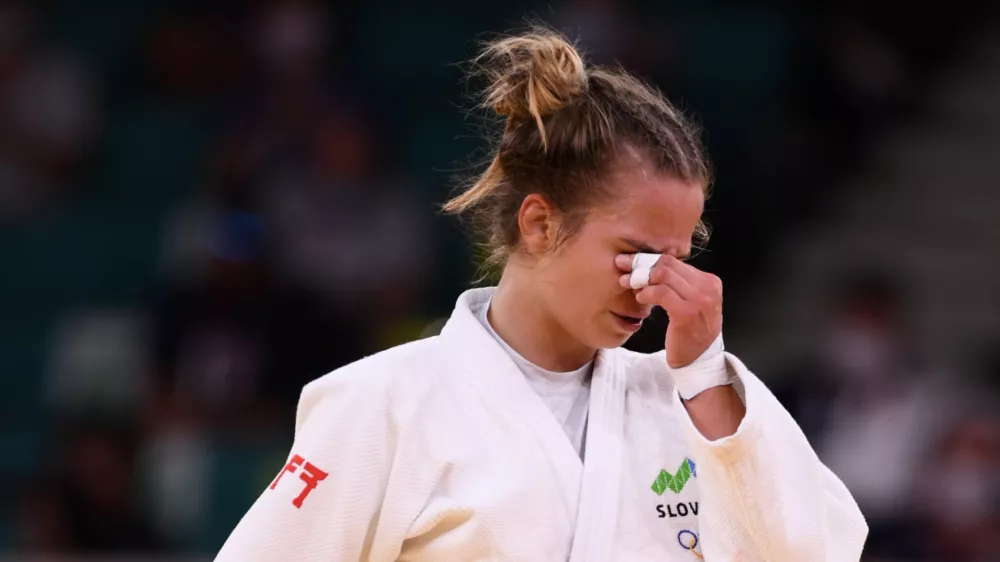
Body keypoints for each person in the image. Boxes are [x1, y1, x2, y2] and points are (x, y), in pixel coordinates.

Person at [215, 28, 868, 561]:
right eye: (634, 254)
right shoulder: (383, 404)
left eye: (674, 258)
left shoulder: (697, 403)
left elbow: (816, 553)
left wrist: (701, 378)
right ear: (540, 223)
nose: (653, 284)